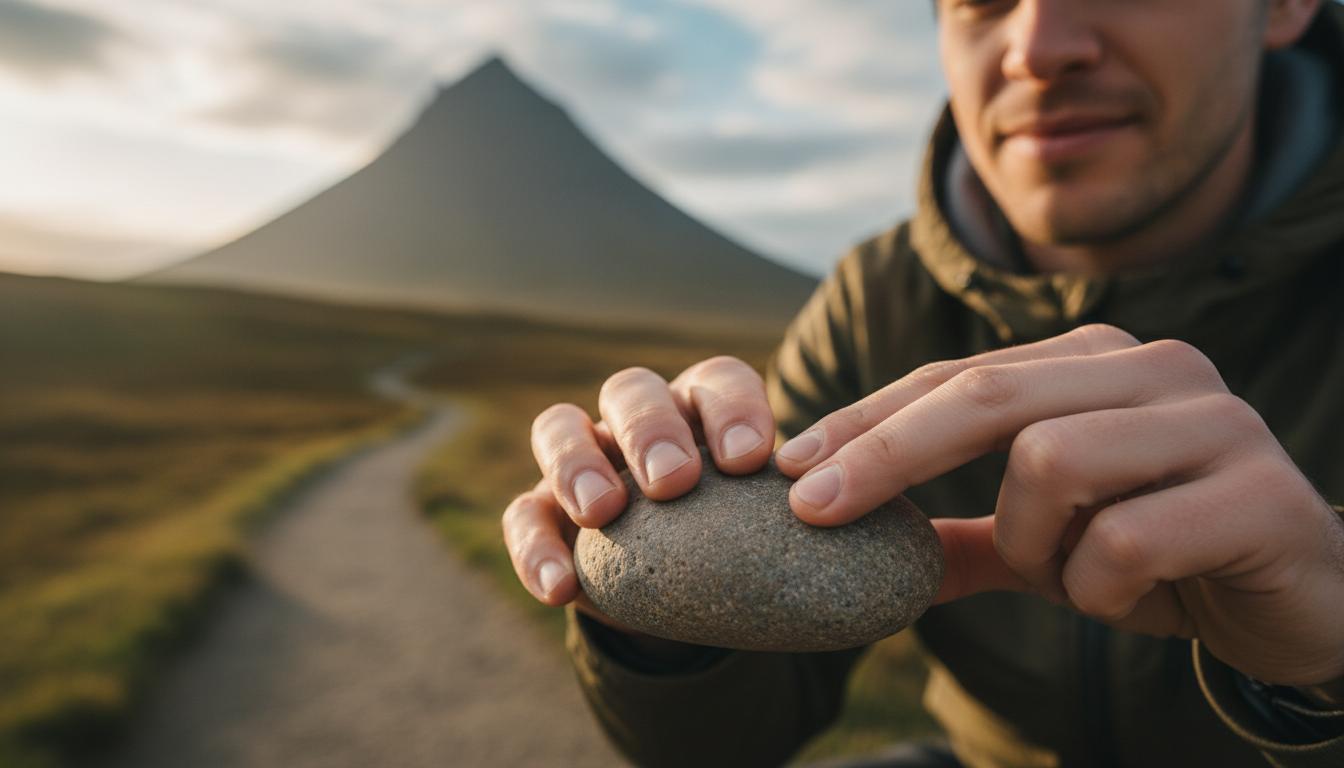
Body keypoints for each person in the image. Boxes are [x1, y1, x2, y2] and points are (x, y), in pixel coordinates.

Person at [502, 0, 1344, 765]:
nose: (1038, 47)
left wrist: (1331, 651)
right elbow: (729, 744)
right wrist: (655, 592)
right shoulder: (873, 303)